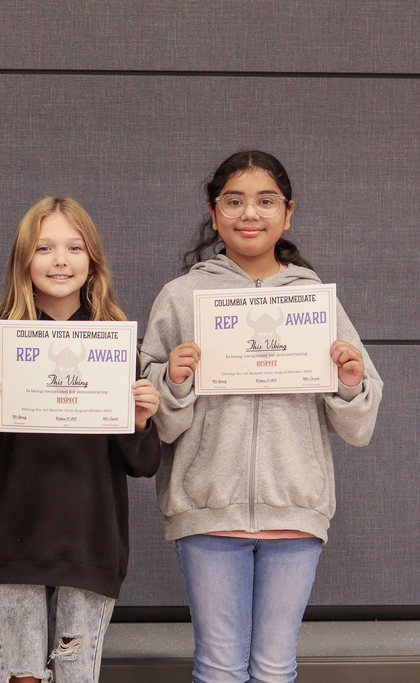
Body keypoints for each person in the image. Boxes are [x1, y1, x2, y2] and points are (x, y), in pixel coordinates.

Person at [140, 151, 382, 683]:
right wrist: (173, 380)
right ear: (214, 213)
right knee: (219, 668)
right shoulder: (181, 298)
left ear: (288, 213)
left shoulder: (314, 301)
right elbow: (158, 423)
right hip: (207, 511)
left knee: (275, 668)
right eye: (234, 201)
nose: (250, 213)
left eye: (266, 201)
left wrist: (348, 381)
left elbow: (358, 426)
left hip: (296, 509)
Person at [0, 197, 161, 683]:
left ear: (93, 261)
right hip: (14, 543)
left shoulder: (115, 344)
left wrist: (139, 421)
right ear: (23, 260)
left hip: (91, 543)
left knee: (74, 676)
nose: (60, 260)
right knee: (21, 678)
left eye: (74, 247)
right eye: (44, 248)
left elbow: (144, 463)